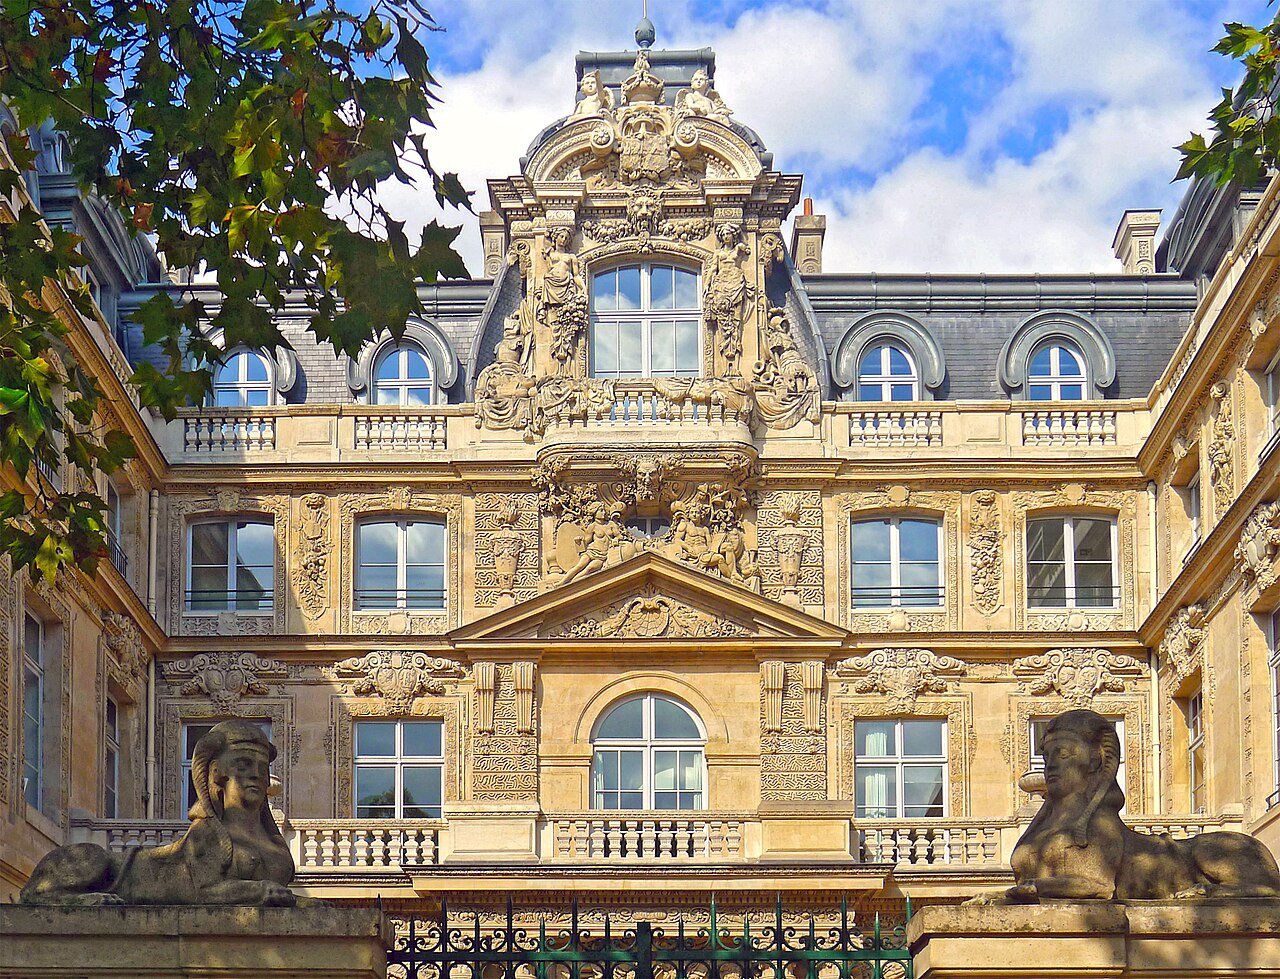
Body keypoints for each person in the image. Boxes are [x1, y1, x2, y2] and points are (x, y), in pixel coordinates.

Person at [20, 720, 299, 906]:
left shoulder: (271, 844)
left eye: (262, 768)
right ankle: (55, 897)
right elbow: (204, 891)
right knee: (91, 858)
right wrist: (259, 890)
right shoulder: (208, 834)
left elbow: (280, 895)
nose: (255, 774)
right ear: (217, 772)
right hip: (119, 877)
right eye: (243, 765)